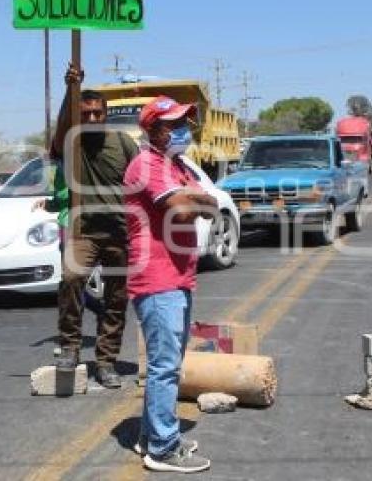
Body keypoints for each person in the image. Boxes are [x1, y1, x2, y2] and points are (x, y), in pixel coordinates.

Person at [124, 96, 217, 473]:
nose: (183, 129)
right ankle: (163, 449)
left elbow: (208, 202)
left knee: (169, 362)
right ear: (153, 130)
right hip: (157, 279)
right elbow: (184, 208)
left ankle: (151, 436)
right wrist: (196, 198)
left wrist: (196, 197)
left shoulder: (174, 165)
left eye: (184, 121)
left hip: (177, 277)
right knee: (165, 367)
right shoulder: (147, 165)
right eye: (173, 123)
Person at [50, 63, 139, 389]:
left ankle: (106, 361)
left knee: (117, 298)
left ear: (105, 115)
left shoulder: (123, 144)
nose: (91, 119)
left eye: (97, 113)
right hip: (83, 230)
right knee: (72, 279)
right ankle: (71, 346)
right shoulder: (73, 144)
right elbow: (59, 138)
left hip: (119, 232)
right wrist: (70, 90)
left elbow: (142, 181)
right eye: (85, 113)